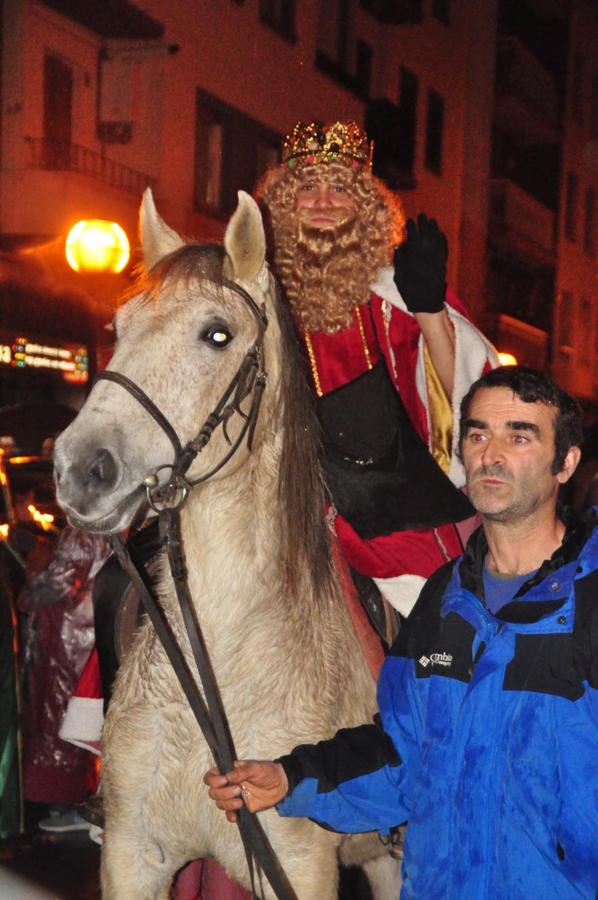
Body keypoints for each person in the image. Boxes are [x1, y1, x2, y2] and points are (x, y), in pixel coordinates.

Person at [205, 366, 598, 899]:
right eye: (478, 434)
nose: (492, 454)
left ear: (566, 462)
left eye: (520, 436)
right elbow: (403, 753)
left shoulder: (589, 601)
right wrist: (290, 778)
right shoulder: (445, 601)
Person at [257, 120, 497, 632]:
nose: (322, 200)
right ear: (283, 204)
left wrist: (430, 309)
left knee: (446, 628)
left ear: (364, 206)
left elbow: (467, 401)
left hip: (386, 507)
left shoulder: (397, 291)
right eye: (306, 187)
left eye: (339, 187)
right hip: (273, 500)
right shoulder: (253, 296)